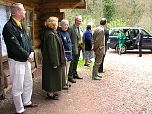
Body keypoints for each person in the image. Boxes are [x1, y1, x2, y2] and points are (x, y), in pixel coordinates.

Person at [2, 3, 37, 114]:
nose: (25, 12)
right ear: (17, 12)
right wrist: (27, 55)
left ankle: (26, 102)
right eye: (23, 10)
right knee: (17, 86)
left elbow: (27, 40)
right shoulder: (8, 27)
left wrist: (31, 51)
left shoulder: (21, 25)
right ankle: (19, 109)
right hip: (17, 61)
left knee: (28, 81)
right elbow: (15, 46)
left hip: (26, 59)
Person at [41, 17, 66, 100]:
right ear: (54, 24)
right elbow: (53, 50)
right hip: (52, 61)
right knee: (51, 77)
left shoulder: (51, 33)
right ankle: (50, 93)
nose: (58, 24)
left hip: (51, 60)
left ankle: (52, 91)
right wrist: (55, 63)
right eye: (57, 22)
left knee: (53, 77)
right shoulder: (50, 34)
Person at [68, 15, 83, 83]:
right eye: (78, 21)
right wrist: (71, 46)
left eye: (80, 21)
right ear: (75, 20)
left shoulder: (80, 28)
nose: (79, 22)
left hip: (79, 47)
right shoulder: (71, 28)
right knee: (72, 63)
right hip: (73, 48)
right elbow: (68, 38)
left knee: (76, 62)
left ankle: (74, 74)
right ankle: (70, 76)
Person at [58, 19, 72, 89]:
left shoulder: (67, 33)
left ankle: (65, 82)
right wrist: (64, 56)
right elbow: (61, 46)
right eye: (65, 24)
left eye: (67, 24)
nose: (66, 26)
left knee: (67, 70)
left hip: (69, 55)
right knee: (64, 71)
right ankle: (63, 84)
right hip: (65, 55)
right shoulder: (59, 34)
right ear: (61, 25)